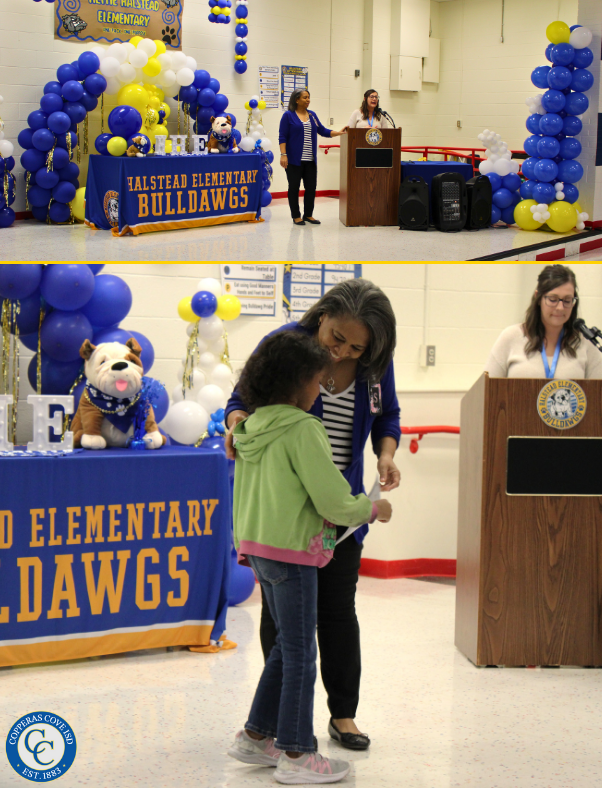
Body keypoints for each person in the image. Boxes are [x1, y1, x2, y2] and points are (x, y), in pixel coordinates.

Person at [226, 278, 401, 752]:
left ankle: (339, 714)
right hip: (293, 509)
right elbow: (240, 400)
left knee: (336, 612)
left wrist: (384, 457)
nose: (342, 353)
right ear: (321, 316)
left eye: (356, 348)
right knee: (287, 629)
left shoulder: (372, 367)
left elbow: (388, 417)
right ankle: (286, 726)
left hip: (335, 505)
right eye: (336, 339)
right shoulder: (289, 349)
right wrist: (242, 427)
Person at [484, 264, 602, 378]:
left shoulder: (586, 343)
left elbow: (599, 397)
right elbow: (486, 391)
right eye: (553, 299)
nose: (560, 307)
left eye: (567, 300)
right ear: (538, 298)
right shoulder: (511, 337)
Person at [278, 89, 347, 226]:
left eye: (309, 97)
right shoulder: (288, 116)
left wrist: (338, 133)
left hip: (310, 160)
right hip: (293, 160)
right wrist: (283, 154)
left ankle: (308, 214)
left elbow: (322, 130)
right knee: (294, 188)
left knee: (311, 188)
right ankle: (296, 216)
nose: (308, 100)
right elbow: (282, 136)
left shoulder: (312, 115)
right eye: (305, 97)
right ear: (296, 100)